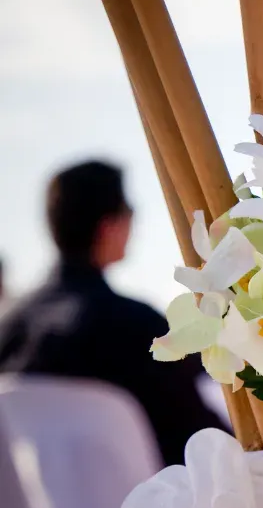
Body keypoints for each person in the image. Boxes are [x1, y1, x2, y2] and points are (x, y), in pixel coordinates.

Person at [0, 160, 226, 466]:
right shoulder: (133, 326)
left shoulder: (10, 329)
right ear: (109, 226)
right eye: (129, 211)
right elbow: (204, 437)